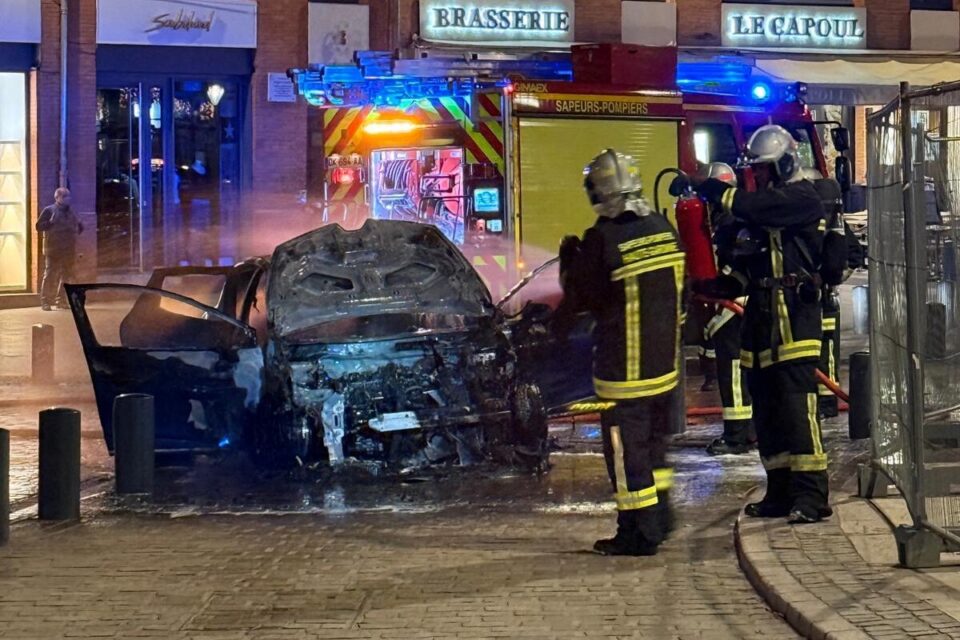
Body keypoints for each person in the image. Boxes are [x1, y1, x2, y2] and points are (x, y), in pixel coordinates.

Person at [689, 125, 831, 524]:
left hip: (795, 324)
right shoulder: (757, 208)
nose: (761, 177)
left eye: (766, 170)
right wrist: (718, 284)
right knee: (767, 412)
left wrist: (717, 191)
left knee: (797, 410)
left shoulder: (802, 198)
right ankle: (780, 492)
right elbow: (746, 270)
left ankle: (812, 497)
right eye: (757, 172)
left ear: (785, 165)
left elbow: (758, 208)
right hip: (761, 323)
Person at [558, 149, 684, 555]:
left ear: (598, 191)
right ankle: (660, 520)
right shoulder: (663, 227)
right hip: (665, 369)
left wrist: (570, 264)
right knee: (654, 449)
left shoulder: (602, 239)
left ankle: (638, 534)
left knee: (627, 454)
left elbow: (584, 299)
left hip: (624, 374)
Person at [698, 163, 755, 456]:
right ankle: (750, 430)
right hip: (733, 304)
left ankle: (736, 436)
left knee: (733, 371)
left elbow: (738, 261)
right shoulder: (723, 217)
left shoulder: (734, 220)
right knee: (740, 371)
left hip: (738, 306)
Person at [36, 187, 83, 311]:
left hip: (68, 249)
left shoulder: (71, 211)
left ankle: (61, 300)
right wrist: (50, 223)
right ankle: (45, 300)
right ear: (57, 198)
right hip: (53, 249)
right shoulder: (49, 210)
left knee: (66, 276)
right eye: (64, 196)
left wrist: (79, 225)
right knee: (50, 274)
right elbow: (39, 226)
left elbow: (78, 227)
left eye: (68, 196)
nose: (68, 199)